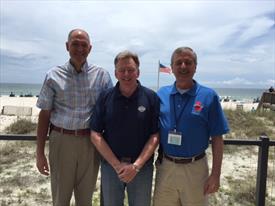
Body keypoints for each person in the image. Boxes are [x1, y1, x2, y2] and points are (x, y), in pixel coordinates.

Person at [36, 28, 113, 206]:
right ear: (67, 46)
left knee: (85, 199)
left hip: (90, 143)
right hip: (61, 140)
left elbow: (111, 112)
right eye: (75, 44)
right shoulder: (53, 75)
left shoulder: (102, 75)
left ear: (90, 48)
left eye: (83, 45)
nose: (79, 48)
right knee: (60, 198)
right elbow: (44, 114)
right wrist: (40, 153)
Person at [153, 47, 229, 206]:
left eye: (188, 62)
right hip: (166, 166)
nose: (183, 66)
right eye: (178, 62)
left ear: (195, 66)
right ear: (172, 67)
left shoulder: (209, 96)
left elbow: (217, 139)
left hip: (195, 168)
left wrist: (216, 175)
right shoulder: (161, 94)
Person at [90, 50, 159, 206]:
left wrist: (135, 166)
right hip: (111, 167)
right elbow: (95, 134)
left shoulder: (151, 97)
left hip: (141, 168)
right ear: (115, 73)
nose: (126, 74)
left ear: (138, 72)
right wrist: (117, 165)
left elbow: (155, 136)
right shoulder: (105, 97)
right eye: (122, 70)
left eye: (131, 70)